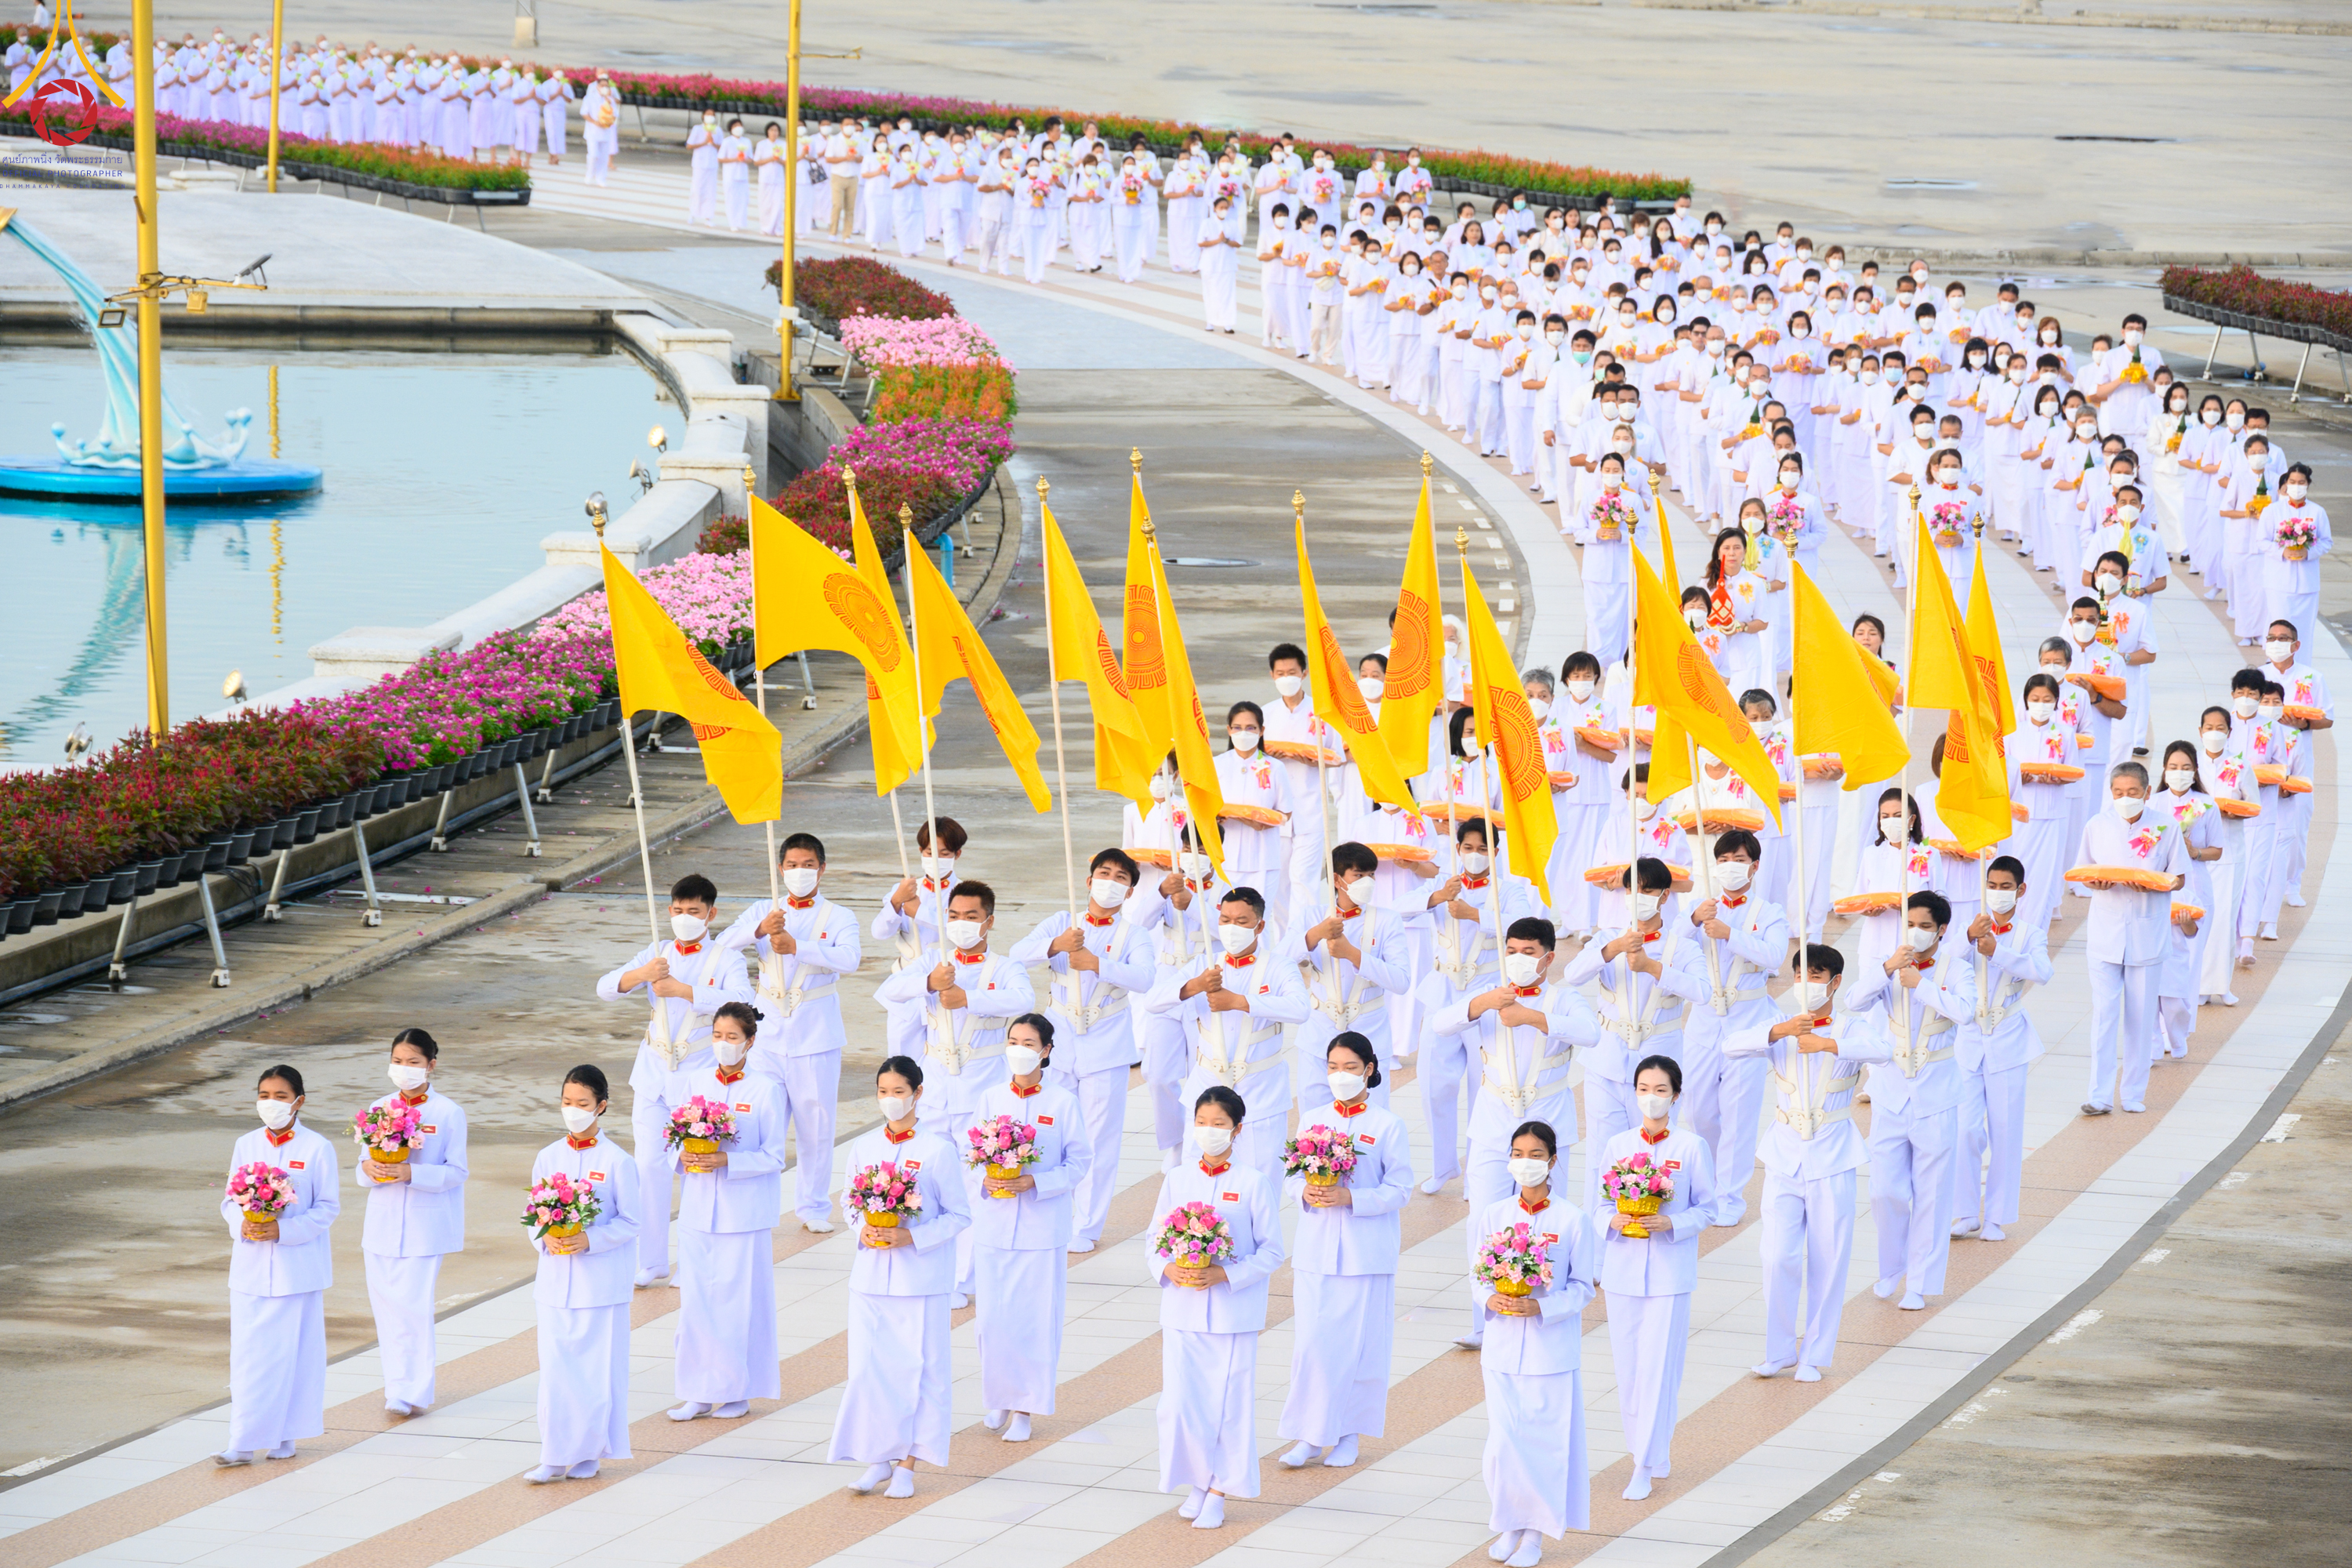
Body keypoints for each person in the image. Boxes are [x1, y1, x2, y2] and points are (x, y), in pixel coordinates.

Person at [1431, 916, 1599, 1345]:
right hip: (1493, 1123)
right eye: (1511, 950)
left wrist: (1533, 1016)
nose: (1518, 959)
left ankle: (1548, 1307)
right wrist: (1483, 1003)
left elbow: (1591, 1033)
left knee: (1549, 1219)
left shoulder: (1563, 998)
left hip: (1547, 1122)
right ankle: (1484, 1318)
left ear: (1548, 955)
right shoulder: (1490, 992)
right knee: (1483, 1221)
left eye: (1528, 952)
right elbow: (1440, 1024)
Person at [1726, 946, 1890, 1381]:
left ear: (1835, 982)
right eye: (1800, 975)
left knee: (1828, 1258)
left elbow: (1882, 1051)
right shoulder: (1780, 1025)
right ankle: (1778, 1350)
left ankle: (1815, 1355)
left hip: (1833, 1155)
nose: (1807, 984)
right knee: (1777, 1256)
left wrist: (1829, 1043)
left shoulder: (1853, 1027)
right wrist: (1779, 1031)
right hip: (1784, 1155)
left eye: (1816, 976)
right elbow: (1730, 1045)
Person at [875, 880, 1035, 1304]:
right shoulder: (932, 959)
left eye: (971, 917)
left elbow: (1024, 997)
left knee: (970, 1185)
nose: (962, 924)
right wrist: (929, 981)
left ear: (989, 921)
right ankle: (930, 1262)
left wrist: (969, 996)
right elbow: (888, 992)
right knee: (926, 1177)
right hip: (935, 1086)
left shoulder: (1003, 967)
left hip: (981, 1086)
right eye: (954, 916)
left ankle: (964, 1277)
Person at [597, 873, 754, 1287]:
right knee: (648, 1167)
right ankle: (651, 1260)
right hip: (652, 1071)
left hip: (698, 1075)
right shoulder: (658, 950)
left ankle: (693, 1260)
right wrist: (641, 975)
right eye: (679, 911)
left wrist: (684, 989)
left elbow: (745, 1003)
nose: (685, 918)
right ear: (669, 911)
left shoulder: (726, 958)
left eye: (695, 912)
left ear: (711, 914)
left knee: (694, 1169)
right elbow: (606, 988)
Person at [829, 1056, 974, 1499]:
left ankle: (909, 1465)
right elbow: (851, 1203)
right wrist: (864, 1228)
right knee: (870, 1370)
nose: (890, 1100)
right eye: (883, 1092)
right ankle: (877, 1458)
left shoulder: (937, 1150)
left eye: (898, 1092)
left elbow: (959, 1215)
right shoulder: (865, 1147)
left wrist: (912, 1237)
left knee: (922, 1370)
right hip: (871, 1279)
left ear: (917, 1093)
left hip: (921, 1281)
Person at [1277, 1033, 1415, 1471]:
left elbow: (1401, 1188)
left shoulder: (1387, 1126)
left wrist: (1353, 1200)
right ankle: (1309, 1433)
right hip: (1316, 1248)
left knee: (1360, 1345)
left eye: (1350, 1068)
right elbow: (1291, 1176)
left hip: (1364, 1251)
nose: (1341, 1076)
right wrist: (1307, 1192)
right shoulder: (1312, 1119)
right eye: (1333, 1068)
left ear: (1369, 1070)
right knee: (1313, 1344)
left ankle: (1349, 1433)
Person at [1008, 848, 1155, 1254]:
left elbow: (1145, 979)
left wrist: (1098, 964)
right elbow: (1016, 955)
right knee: (1048, 1127)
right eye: (1104, 873)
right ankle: (1047, 1208)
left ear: (1129, 892)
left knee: (1099, 1137)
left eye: (1121, 878)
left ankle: (1087, 1225)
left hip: (1106, 1042)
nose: (1111, 882)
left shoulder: (1134, 934)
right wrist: (1055, 945)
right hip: (1059, 1038)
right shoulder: (1062, 922)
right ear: (1089, 881)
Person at [1152, 1085, 1285, 1530]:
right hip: (1182, 1310)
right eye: (1202, 1124)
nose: (1209, 1133)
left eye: (1220, 1125)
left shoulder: (1253, 1182)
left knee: (1227, 1405)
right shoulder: (1178, 1178)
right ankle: (1197, 1478)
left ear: (1238, 1129)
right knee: (1181, 1404)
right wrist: (1169, 1269)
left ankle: (1220, 1490)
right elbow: (1154, 1241)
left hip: (1232, 1314)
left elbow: (1271, 1252)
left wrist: (1225, 1274)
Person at [717, 833, 862, 1233]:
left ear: (822, 868)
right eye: (793, 865)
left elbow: (850, 959)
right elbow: (723, 945)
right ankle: (752, 1199)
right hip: (766, 1032)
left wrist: (798, 946)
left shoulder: (838, 916)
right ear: (781, 869)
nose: (801, 872)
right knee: (760, 1119)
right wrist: (759, 930)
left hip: (815, 1031)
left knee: (816, 1124)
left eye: (809, 865)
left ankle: (813, 1207)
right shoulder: (765, 908)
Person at [1474, 1120, 1599, 1567]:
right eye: (1517, 1154)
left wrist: (1543, 1309)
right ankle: (1510, 1522)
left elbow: (1584, 1285)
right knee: (1504, 1443)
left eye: (1534, 1155)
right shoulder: (1494, 1215)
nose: (1525, 1163)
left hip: (1550, 1349)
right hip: (1504, 1346)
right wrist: (1489, 1297)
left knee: (1543, 1443)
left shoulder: (1571, 1219)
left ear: (1552, 1160)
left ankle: (1535, 1537)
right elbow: (1477, 1274)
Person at [1845, 891, 1974, 1310]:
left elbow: (1966, 1012)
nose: (1916, 933)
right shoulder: (1891, 962)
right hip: (1890, 1093)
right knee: (1885, 1191)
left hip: (1936, 1094)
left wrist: (1924, 985)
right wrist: (1887, 969)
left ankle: (1920, 1282)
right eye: (1910, 925)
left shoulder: (1956, 969)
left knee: (1933, 1194)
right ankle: (1890, 1270)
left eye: (1924, 926)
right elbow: (1854, 1002)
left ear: (1941, 930)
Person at [1599, 1055, 1717, 1501]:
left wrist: (1674, 1225)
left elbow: (1709, 1207)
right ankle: (1649, 1450)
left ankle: (1642, 1464)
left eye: (1661, 1090)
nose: (1651, 1097)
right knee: (1629, 1370)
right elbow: (1598, 1205)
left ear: (1676, 1095)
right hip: (1623, 1270)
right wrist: (1611, 1223)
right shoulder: (1618, 1145)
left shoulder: (1690, 1147)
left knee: (1659, 1368)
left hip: (1669, 1271)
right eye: (1644, 1088)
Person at [666, 1002, 789, 1423]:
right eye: (717, 1036)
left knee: (738, 1303)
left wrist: (729, 1163)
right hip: (699, 1209)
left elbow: (775, 1156)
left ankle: (738, 1390)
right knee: (697, 1302)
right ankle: (698, 1390)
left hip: (744, 1213)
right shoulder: (693, 1084)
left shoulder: (766, 1089)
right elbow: (670, 1141)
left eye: (732, 1037)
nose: (723, 1044)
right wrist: (684, 1155)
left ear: (750, 1042)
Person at [971, 1014, 1090, 1443]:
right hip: (995, 1226)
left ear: (1046, 1051)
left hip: (1041, 1228)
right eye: (1013, 1040)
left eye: (1029, 1042)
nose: (1019, 1048)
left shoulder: (1062, 1103)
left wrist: (1037, 1181)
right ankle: (999, 1397)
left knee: (1033, 1320)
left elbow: (1079, 1162)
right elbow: (970, 1155)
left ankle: (1025, 1408)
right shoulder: (989, 1098)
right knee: (992, 1320)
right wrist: (985, 1181)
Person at [216, 1064, 342, 1467]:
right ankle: (242, 1440)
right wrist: (244, 1226)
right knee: (250, 1357)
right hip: (250, 1270)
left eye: (281, 1096)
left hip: (297, 1270)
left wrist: (282, 1232)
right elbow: (228, 1201)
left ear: (299, 1101)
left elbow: (326, 1209)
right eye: (264, 1096)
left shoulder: (317, 1148)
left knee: (295, 1355)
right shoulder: (246, 1143)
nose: (271, 1103)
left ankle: (286, 1435)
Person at [1144, 886, 1311, 1178]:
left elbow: (1300, 1009)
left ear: (1259, 926)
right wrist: (1194, 986)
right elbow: (1152, 1001)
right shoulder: (1204, 965)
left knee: (1261, 1179)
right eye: (1225, 920)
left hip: (1260, 1093)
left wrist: (1240, 1002)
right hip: (1207, 1091)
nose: (1231, 928)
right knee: (1196, 1180)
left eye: (1242, 922)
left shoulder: (1279, 966)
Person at [524, 1065, 640, 1484]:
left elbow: (632, 1221)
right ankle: (554, 1455)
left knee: (596, 1372)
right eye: (567, 1103)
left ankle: (591, 1451)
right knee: (556, 1373)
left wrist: (590, 1240)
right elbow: (533, 1214)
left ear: (601, 1106)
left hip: (600, 1284)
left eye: (583, 1104)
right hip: (556, 1283)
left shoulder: (617, 1161)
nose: (573, 1111)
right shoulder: (548, 1156)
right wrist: (544, 1239)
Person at [1565, 858, 1699, 1211]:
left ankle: (1650, 1222)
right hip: (1607, 1061)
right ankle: (1597, 1247)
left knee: (1653, 1149)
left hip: (1657, 1066)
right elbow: (1573, 974)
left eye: (1647, 889)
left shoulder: (1681, 947)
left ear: (1665, 896)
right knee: (1601, 1151)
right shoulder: (1608, 938)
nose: (1637, 896)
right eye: (1631, 889)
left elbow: (1702, 991)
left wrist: (1654, 967)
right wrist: (1613, 950)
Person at [1676, 829, 1786, 1229]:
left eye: (1737, 860)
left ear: (1754, 866)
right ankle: (1706, 1185)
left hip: (1749, 1021)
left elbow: (1775, 955)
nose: (1729, 867)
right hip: (1705, 1020)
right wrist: (1694, 920)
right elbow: (1670, 945)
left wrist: (1731, 935)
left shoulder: (1768, 912)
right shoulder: (1701, 907)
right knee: (1699, 1109)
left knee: (1739, 1114)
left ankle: (1730, 1196)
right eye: (1722, 860)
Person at [357, 1028, 468, 1418]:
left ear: (431, 1066)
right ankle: (395, 1386)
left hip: (425, 1226)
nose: (405, 1070)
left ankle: (414, 1389)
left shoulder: (447, 1113)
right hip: (382, 1223)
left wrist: (412, 1174)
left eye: (414, 1063)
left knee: (413, 1307)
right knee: (386, 1307)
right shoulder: (379, 1108)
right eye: (398, 1062)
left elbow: (457, 1171)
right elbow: (361, 1168)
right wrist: (371, 1168)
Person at [2074, 762, 2189, 1116]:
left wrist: (2154, 882)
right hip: (2106, 934)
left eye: (2133, 793)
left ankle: (2134, 1092)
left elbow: (2179, 878)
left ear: (2147, 792)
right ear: (2111, 793)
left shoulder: (2165, 826)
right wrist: (2096, 883)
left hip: (2146, 932)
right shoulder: (2097, 825)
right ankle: (2100, 1094)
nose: (2125, 799)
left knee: (2140, 1018)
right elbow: (2084, 872)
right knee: (2105, 1015)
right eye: (2119, 793)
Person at [1951, 858, 2049, 1243]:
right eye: (1992, 884)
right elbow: (1941, 962)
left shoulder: (2029, 933)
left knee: (2006, 1129)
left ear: (2020, 891)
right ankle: (1963, 1211)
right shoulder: (1969, 928)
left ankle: (1996, 1216)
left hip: (2007, 1036)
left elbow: (2041, 972)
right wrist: (1967, 939)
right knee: (1965, 1128)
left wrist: (1998, 952)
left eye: (2006, 885)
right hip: (1968, 1038)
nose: (1998, 891)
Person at [1294, 842, 1413, 1112]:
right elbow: (1280, 960)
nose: (1367, 882)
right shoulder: (1311, 916)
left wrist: (1353, 954)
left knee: (1371, 1117)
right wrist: (1314, 935)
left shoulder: (1386, 920)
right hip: (1319, 1033)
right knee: (1313, 1121)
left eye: (1371, 875)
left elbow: (1401, 980)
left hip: (1368, 1031)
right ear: (1337, 879)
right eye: (1358, 876)